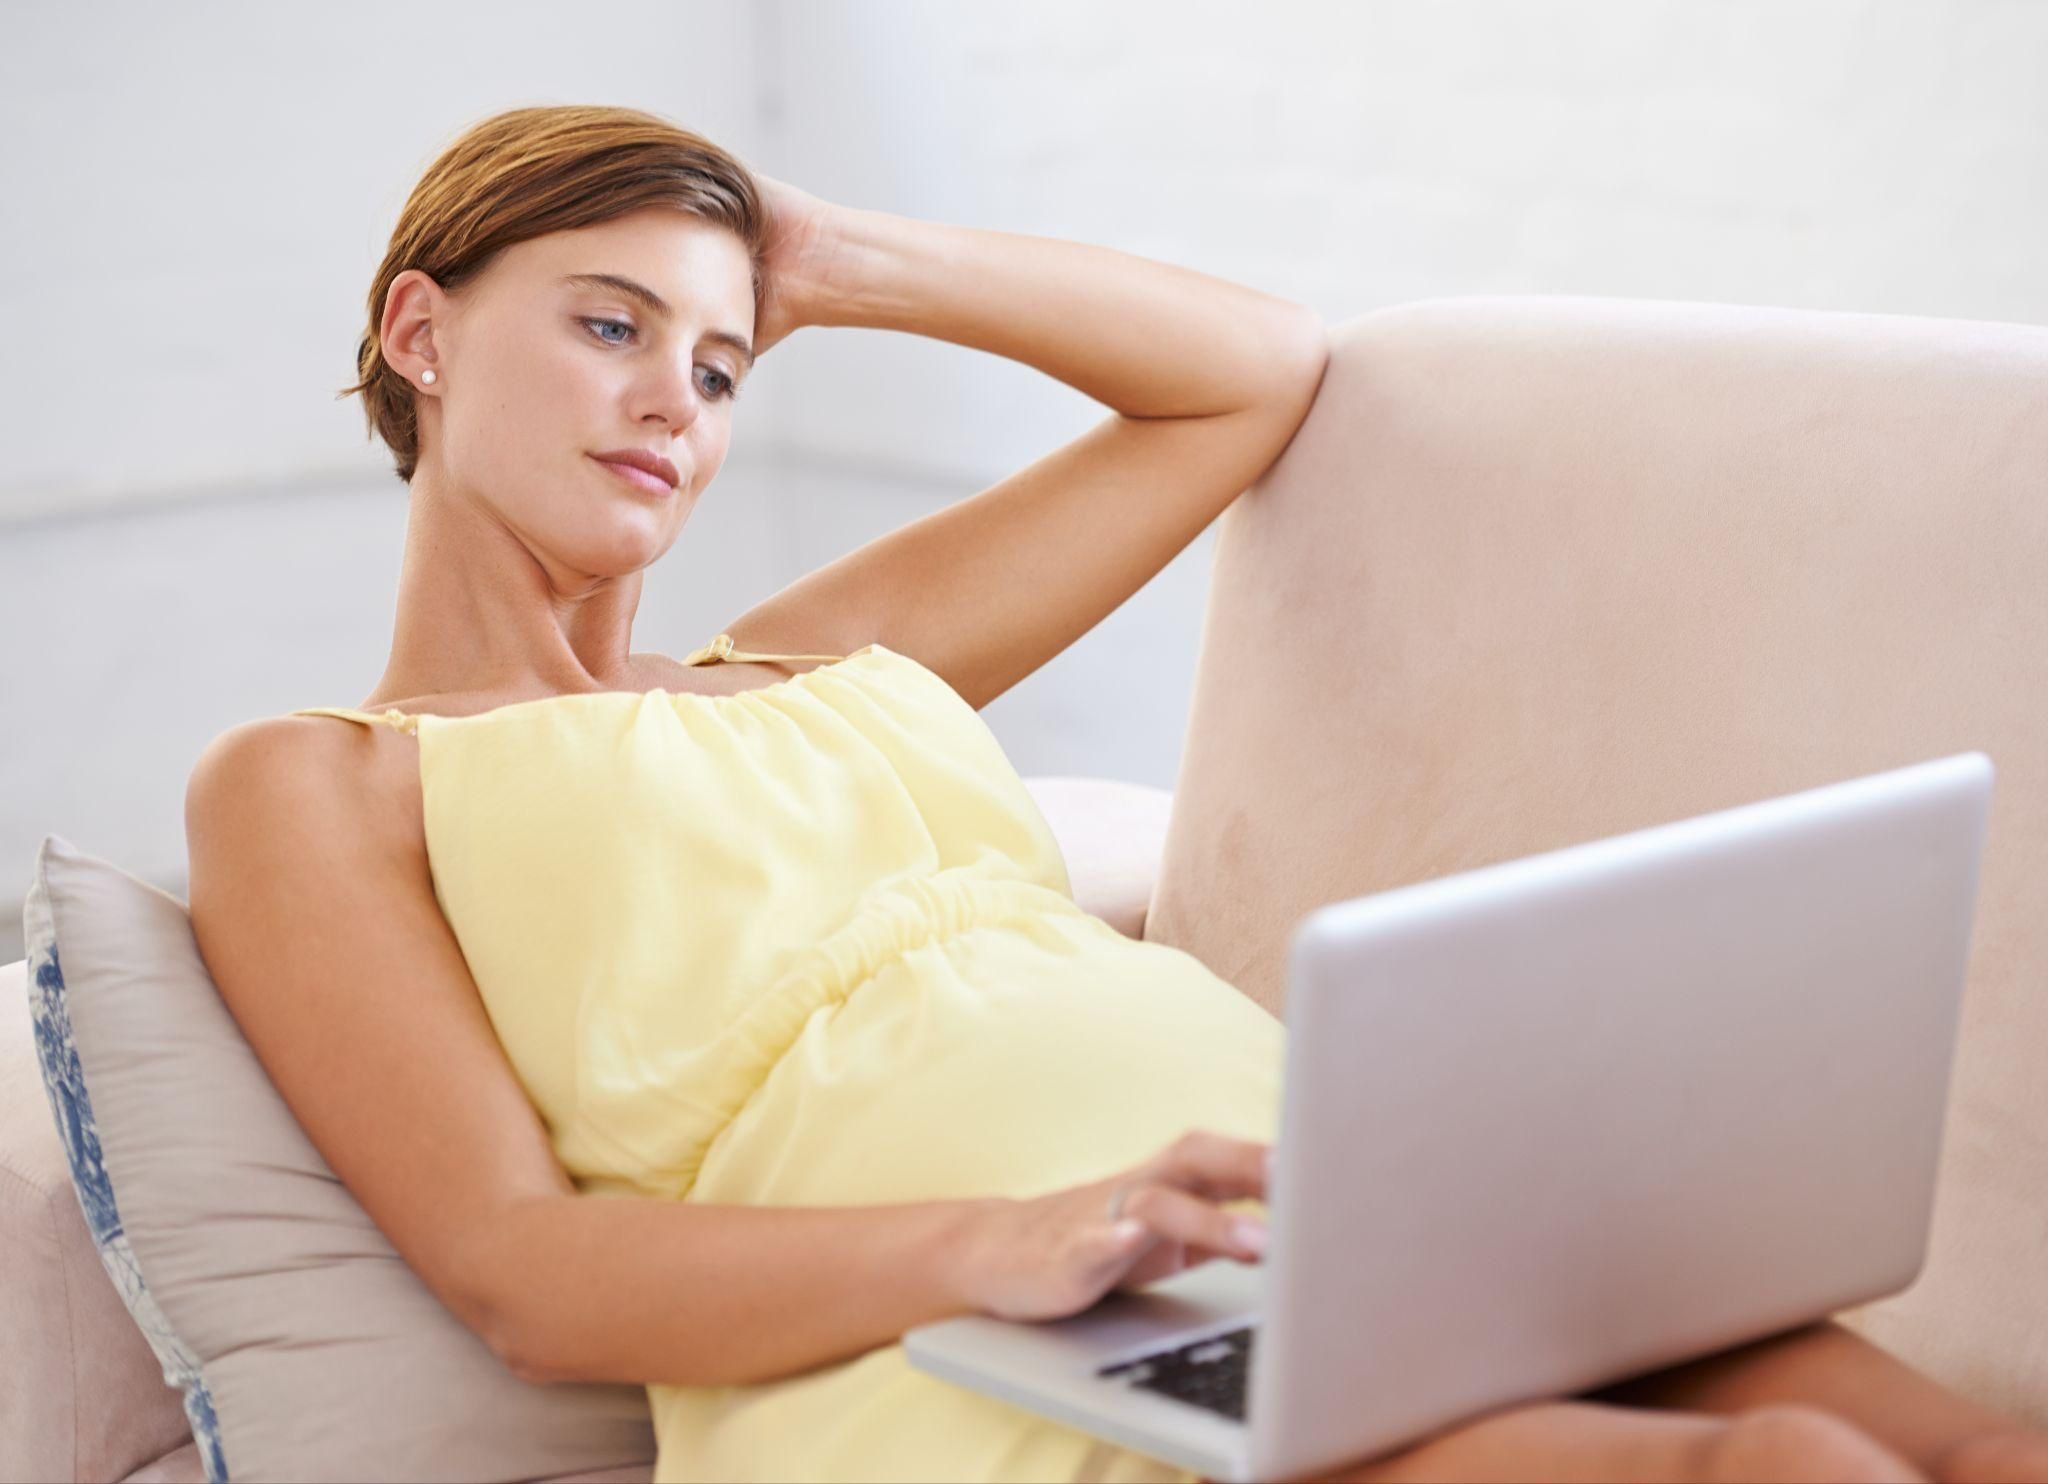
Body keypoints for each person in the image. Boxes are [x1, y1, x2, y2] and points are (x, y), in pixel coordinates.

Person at [182, 104, 2048, 1484]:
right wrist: (1012, 1244)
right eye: (609, 326)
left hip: (1350, 1213)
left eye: (723, 361)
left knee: (1967, 1453)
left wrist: (827, 256)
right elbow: (526, 1272)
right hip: (1001, 1339)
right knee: (1790, 1476)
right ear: (420, 335)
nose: (678, 397)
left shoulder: (811, 659)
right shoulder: (321, 782)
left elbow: (1252, 377)